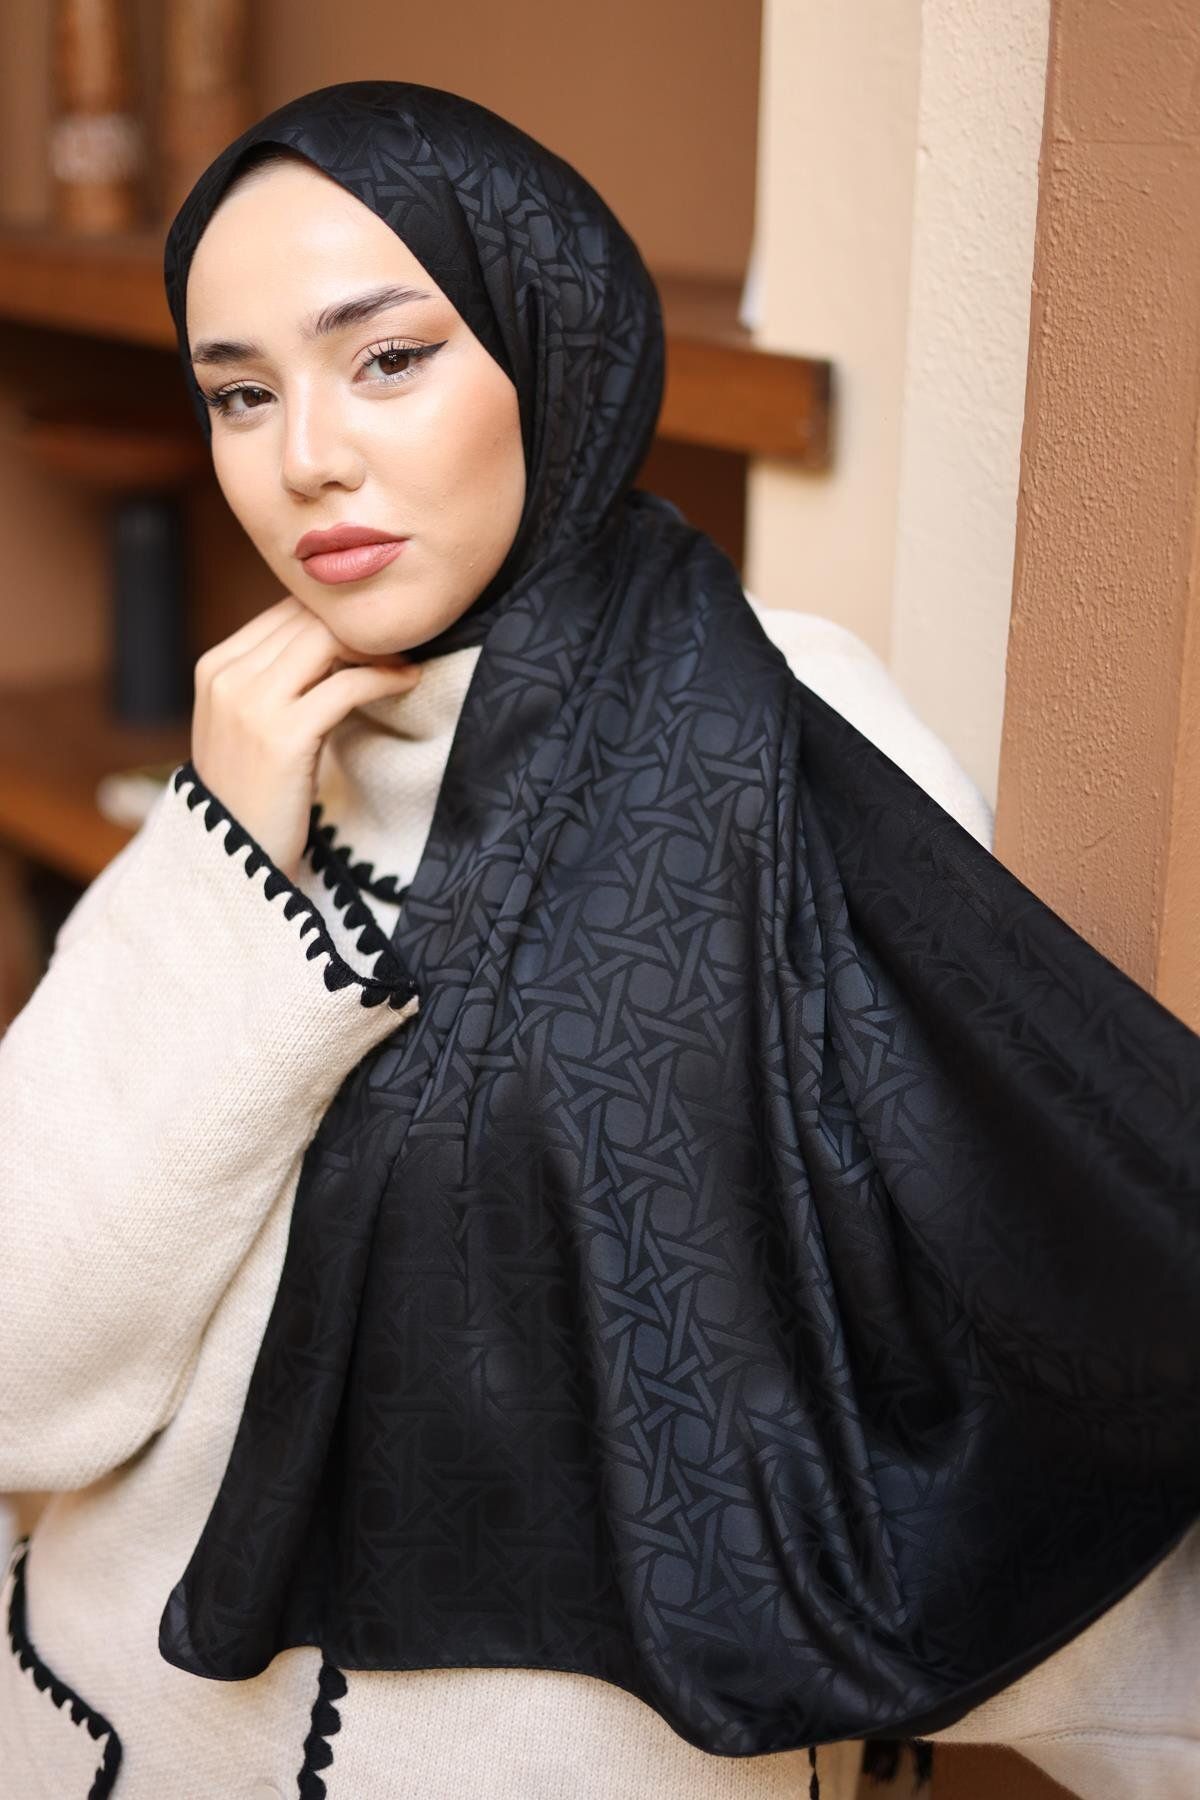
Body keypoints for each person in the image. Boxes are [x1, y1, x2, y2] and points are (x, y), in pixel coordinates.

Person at [1, 82, 1197, 1800]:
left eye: (388, 359)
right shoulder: (252, 762)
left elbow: (1004, 1333)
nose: (304, 456)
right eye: (240, 393)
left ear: (545, 342)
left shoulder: (791, 746)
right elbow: (20, 1376)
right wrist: (215, 865)